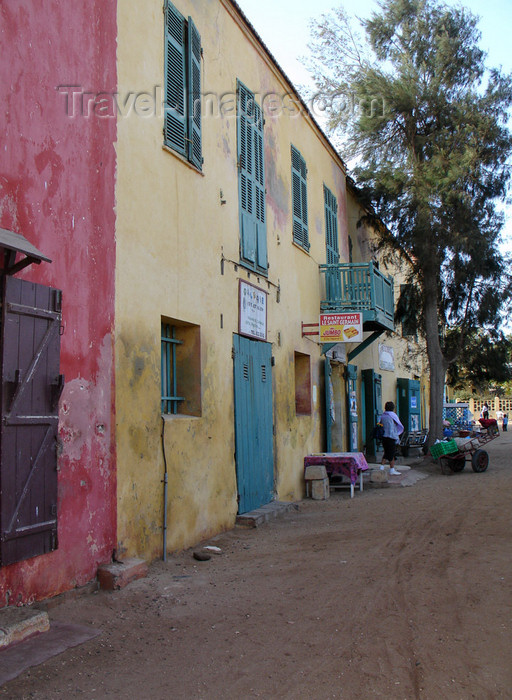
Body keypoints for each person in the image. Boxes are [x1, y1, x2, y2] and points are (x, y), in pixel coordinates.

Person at [379, 401, 405, 476]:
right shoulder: (393, 415)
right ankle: (392, 469)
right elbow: (398, 424)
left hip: (384, 436)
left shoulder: (383, 415)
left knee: (386, 452)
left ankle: (382, 466)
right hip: (391, 436)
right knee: (391, 453)